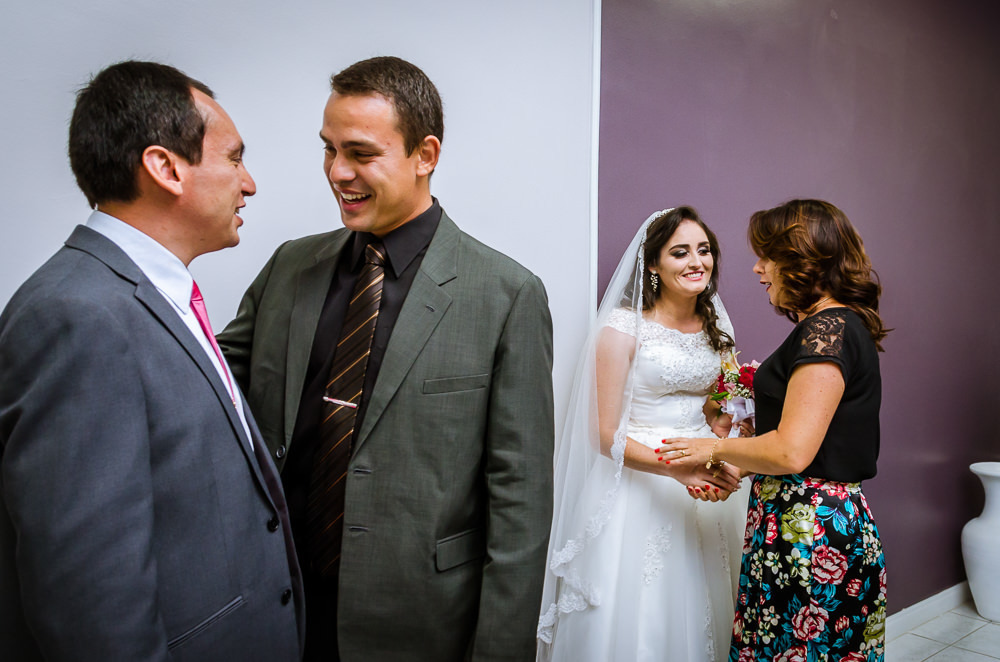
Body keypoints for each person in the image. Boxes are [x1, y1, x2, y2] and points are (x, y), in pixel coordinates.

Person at [217, 55, 554, 661]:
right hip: (275, 607)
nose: (337, 172)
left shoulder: (506, 295)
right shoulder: (289, 267)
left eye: (361, 153)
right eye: (328, 149)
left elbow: (520, 506)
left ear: (425, 154)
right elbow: (209, 389)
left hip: (420, 622)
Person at [0, 61, 303, 661]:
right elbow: (91, 603)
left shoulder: (149, 294)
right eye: (234, 158)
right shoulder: (75, 317)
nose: (249, 183)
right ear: (165, 168)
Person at [660, 199, 888, 661]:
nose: (758, 268)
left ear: (800, 260)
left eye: (768, 256)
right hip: (799, 514)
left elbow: (791, 453)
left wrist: (709, 449)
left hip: (811, 528)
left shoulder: (827, 330)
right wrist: (740, 470)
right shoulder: (834, 325)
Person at [537, 207, 749, 662]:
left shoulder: (718, 330)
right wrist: (678, 468)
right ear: (653, 264)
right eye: (680, 252)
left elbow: (717, 409)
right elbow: (604, 433)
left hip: (706, 482)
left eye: (704, 250)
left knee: (709, 599)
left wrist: (724, 435)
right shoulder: (621, 330)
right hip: (637, 481)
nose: (697, 262)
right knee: (640, 613)